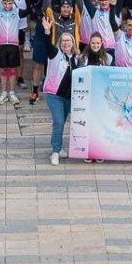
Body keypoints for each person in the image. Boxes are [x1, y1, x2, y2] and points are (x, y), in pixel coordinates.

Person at [42, 31, 82, 165]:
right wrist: (47, 32)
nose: (65, 43)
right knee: (58, 121)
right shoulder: (55, 55)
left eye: (68, 40)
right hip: (54, 95)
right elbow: (48, 45)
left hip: (69, 97)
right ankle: (55, 151)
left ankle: (59, 148)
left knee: (62, 122)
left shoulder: (77, 58)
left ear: (73, 43)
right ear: (60, 43)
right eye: (63, 40)